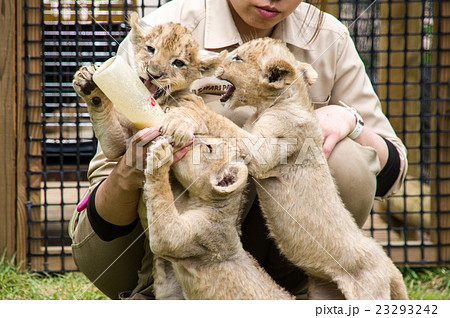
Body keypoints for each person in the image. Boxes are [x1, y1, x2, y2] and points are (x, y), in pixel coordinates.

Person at [69, 0, 407, 300]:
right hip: (133, 238)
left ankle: (287, 287)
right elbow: (107, 171)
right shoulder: (161, 29)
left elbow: (392, 171)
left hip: (253, 247)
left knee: (346, 158)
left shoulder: (328, 35)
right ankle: (156, 291)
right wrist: (137, 168)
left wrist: (350, 119)